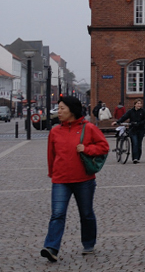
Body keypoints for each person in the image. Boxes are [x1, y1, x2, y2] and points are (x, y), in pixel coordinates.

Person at [41, 95, 109, 262]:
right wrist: (53, 174)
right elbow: (51, 155)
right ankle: (51, 247)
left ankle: (88, 243)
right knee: (57, 214)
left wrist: (86, 149)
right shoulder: (55, 131)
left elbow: (104, 147)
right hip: (60, 180)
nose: (59, 111)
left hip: (84, 179)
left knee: (86, 213)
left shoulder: (89, 128)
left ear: (72, 110)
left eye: (62, 108)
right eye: (59, 108)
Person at [117, 99, 145, 164]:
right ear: (135, 104)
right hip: (133, 129)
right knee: (134, 143)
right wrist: (118, 121)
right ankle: (135, 158)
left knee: (139, 144)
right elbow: (124, 117)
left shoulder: (143, 112)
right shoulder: (131, 111)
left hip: (140, 129)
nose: (139, 105)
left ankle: (138, 157)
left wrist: (139, 123)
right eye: (138, 103)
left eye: (140, 103)